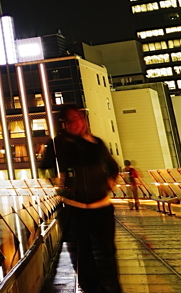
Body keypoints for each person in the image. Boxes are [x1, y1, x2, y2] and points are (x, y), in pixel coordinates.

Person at [40, 104, 122, 293]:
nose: (73, 123)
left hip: (101, 206)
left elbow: (112, 166)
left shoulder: (96, 143)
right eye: (68, 121)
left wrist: (109, 183)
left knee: (107, 253)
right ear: (64, 124)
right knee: (82, 255)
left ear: (83, 120)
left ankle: (112, 289)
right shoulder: (57, 144)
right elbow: (45, 167)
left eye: (76, 118)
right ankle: (91, 289)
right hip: (73, 207)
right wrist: (58, 182)